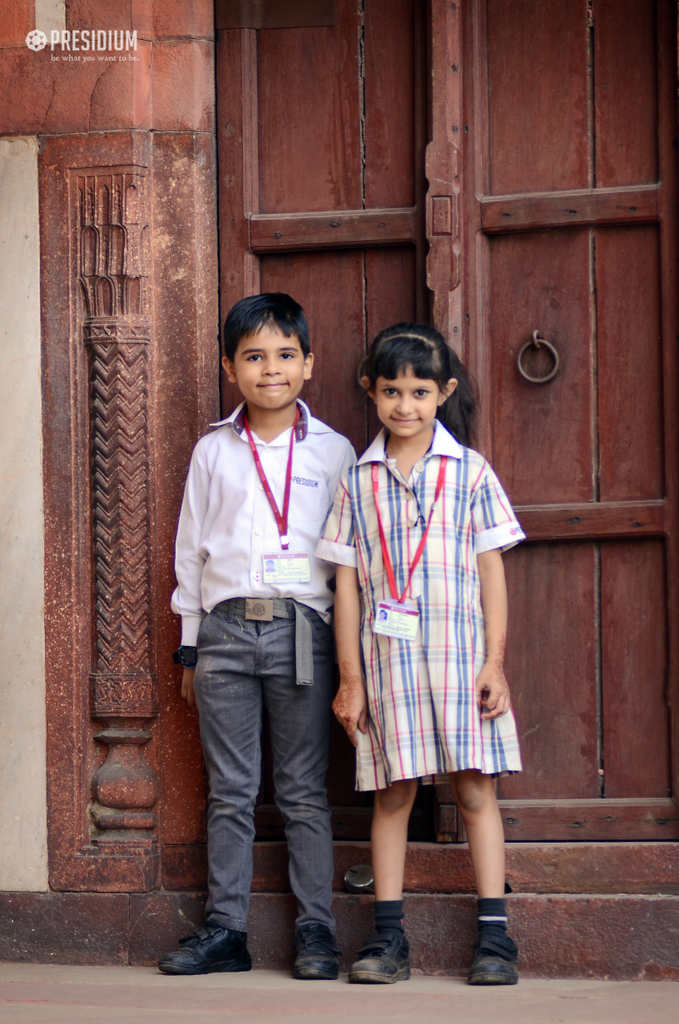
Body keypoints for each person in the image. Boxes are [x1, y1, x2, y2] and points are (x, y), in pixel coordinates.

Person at [316, 323, 525, 986]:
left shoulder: (470, 471)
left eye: (418, 391)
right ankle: (386, 939)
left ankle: (494, 938)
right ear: (370, 393)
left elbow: (491, 570)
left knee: (472, 789)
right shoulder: (357, 480)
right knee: (392, 793)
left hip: (459, 662)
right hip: (388, 667)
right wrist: (350, 679)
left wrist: (494, 661)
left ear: (444, 393)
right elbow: (345, 585)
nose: (403, 405)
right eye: (390, 391)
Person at [159, 293, 355, 979]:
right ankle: (226, 932)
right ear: (229, 366)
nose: (269, 369)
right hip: (223, 632)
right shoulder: (213, 449)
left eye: (283, 355)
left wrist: (351, 654)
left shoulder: (335, 452)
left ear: (307, 364)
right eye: (252, 356)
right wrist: (189, 645)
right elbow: (191, 551)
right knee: (230, 791)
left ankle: (316, 933)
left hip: (303, 629)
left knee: (302, 789)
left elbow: (348, 556)